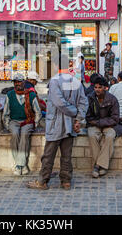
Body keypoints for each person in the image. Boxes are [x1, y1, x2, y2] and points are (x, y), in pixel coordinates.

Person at [26, 55, 88, 190]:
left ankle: (42, 181)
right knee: (66, 155)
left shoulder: (55, 82)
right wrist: (78, 118)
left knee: (48, 155)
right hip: (70, 125)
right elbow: (84, 103)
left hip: (56, 125)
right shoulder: (77, 81)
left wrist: (73, 113)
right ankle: (66, 181)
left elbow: (59, 103)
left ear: (55, 65)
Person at [2, 73, 42, 176]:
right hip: (14, 121)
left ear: (24, 82)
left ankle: (19, 165)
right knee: (15, 134)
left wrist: (35, 124)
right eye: (15, 82)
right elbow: (5, 113)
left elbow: (38, 112)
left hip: (28, 121)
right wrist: (7, 125)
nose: (17, 84)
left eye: (19, 81)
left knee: (24, 134)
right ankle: (22, 165)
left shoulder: (31, 94)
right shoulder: (9, 95)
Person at [86, 77, 121, 178]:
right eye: (95, 87)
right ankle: (102, 166)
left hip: (110, 125)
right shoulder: (90, 98)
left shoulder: (112, 99)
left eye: (99, 87)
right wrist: (97, 123)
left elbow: (115, 118)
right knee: (92, 135)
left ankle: (97, 166)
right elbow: (88, 116)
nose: (97, 89)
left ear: (105, 88)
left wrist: (102, 123)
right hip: (94, 124)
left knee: (110, 136)